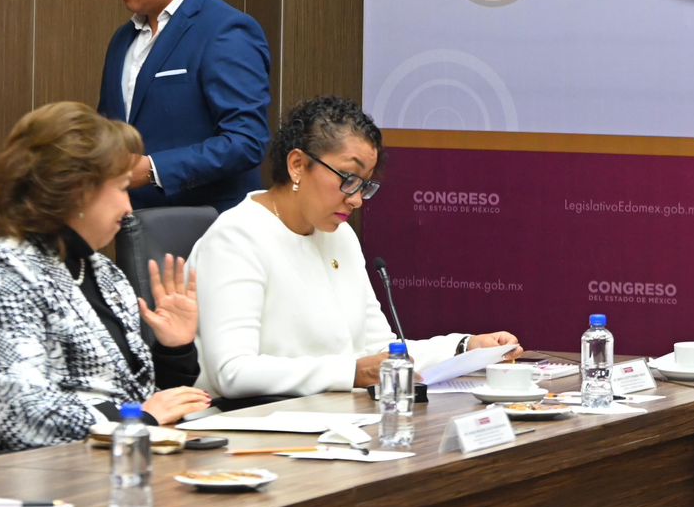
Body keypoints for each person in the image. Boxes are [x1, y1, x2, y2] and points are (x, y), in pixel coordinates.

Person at [191, 96, 521, 399]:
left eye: (365, 185)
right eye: (347, 179)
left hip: (331, 421)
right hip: (251, 426)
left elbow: (377, 350)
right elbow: (231, 372)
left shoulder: (340, 236)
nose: (357, 200)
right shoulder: (237, 238)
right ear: (297, 165)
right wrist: (351, 372)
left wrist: (465, 347)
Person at [0, 103, 213, 459]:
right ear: (75, 191)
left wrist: (174, 351)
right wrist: (137, 419)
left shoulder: (102, 272)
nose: (129, 208)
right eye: (121, 188)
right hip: (21, 477)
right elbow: (26, 418)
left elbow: (141, 400)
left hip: (114, 464)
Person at [96, 0, 272, 215]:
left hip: (207, 229)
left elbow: (246, 141)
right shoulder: (122, 40)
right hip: (131, 225)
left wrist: (154, 169)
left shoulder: (226, 31)